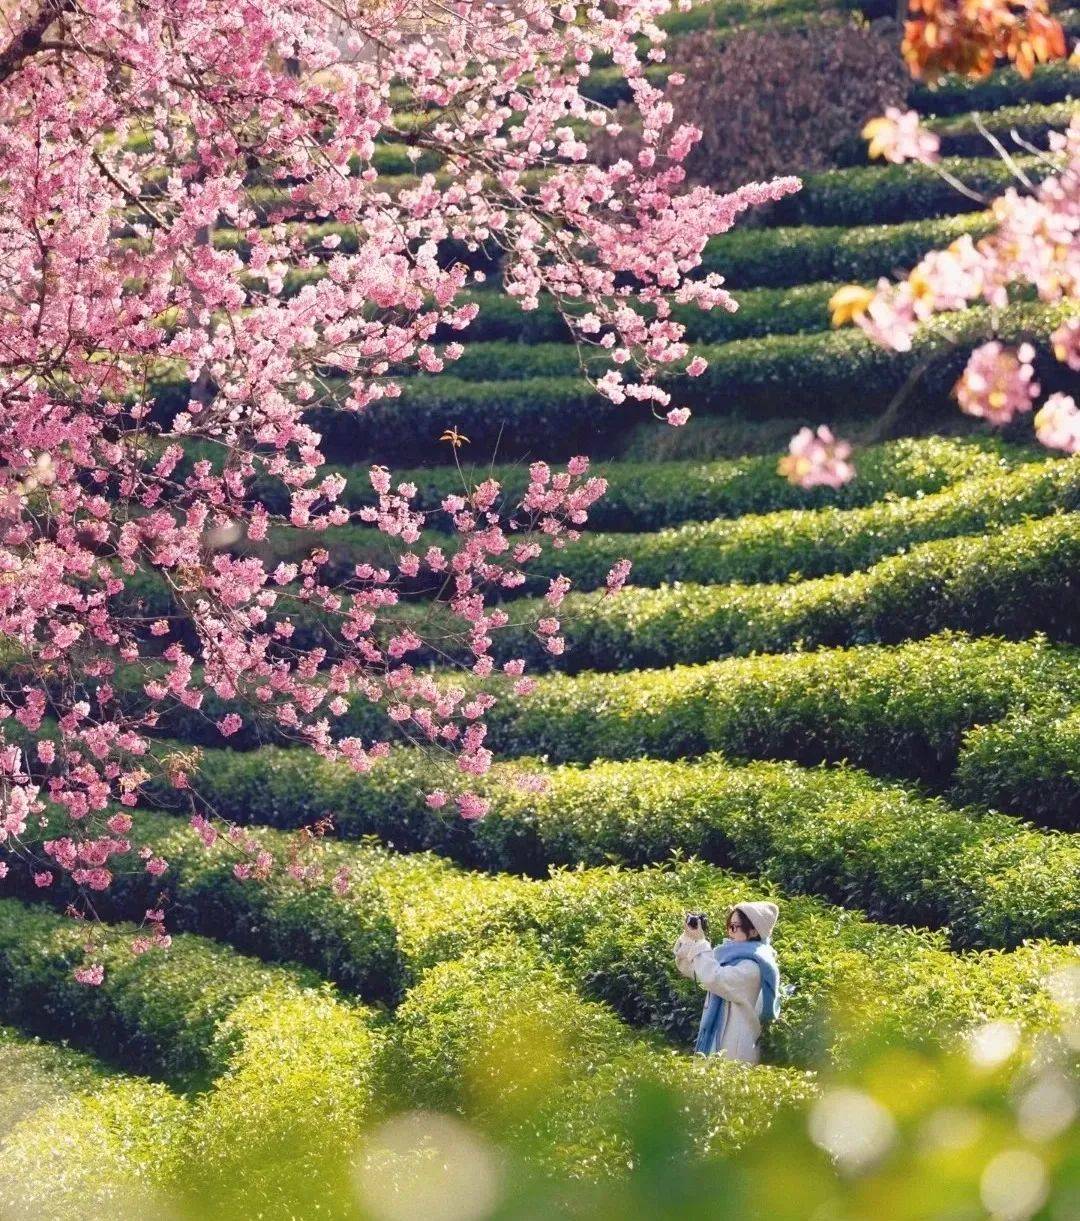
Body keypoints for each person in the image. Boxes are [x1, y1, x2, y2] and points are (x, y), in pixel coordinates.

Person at [672, 901, 781, 1064]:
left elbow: (716, 978)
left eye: (735, 927)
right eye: (729, 925)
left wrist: (701, 943)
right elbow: (691, 968)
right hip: (717, 1039)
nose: (730, 931)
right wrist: (690, 938)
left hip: (736, 1047)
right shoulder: (728, 956)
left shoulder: (753, 966)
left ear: (753, 931)